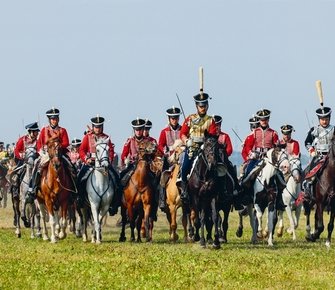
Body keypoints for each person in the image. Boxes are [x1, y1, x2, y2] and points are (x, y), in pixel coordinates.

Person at [240, 109, 286, 210]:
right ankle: (247, 195)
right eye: (262, 120)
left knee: (280, 177)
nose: (263, 121)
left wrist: (277, 149)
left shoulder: (273, 133)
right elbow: (248, 146)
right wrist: (251, 153)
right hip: (256, 158)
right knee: (248, 173)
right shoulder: (255, 132)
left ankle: (279, 200)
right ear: (259, 120)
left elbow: (276, 146)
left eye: (265, 119)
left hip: (269, 158)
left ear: (268, 119)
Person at [77, 115, 121, 215]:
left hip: (104, 164)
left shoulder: (106, 137)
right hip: (90, 163)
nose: (98, 128)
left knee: (116, 178)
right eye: (96, 126)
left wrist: (109, 159)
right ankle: (80, 199)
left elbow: (110, 151)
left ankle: (114, 203)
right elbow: (82, 150)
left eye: (100, 126)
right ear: (93, 127)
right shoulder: (87, 137)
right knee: (79, 178)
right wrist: (86, 159)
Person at [178, 92, 217, 201]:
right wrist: (186, 141)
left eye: (204, 106)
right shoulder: (190, 119)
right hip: (192, 147)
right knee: (185, 166)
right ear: (197, 106)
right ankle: (185, 189)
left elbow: (212, 135)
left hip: (205, 149)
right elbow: (182, 133)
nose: (202, 108)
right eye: (200, 106)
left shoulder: (210, 120)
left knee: (215, 167)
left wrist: (206, 144)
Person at [28, 108, 74, 198]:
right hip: (46, 154)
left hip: (59, 154)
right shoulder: (44, 130)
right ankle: (32, 188)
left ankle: (73, 190)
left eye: (56, 118)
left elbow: (66, 143)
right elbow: (39, 144)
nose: (54, 120)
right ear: (49, 120)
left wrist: (58, 146)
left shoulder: (62, 130)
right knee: (37, 166)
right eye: (53, 119)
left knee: (71, 167)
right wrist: (41, 151)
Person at [303, 106, 334, 203]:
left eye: (326, 119)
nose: (324, 121)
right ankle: (307, 190)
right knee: (310, 172)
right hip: (318, 156)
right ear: (319, 119)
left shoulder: (334, 129)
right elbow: (307, 142)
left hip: (331, 157)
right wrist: (312, 150)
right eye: (322, 119)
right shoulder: (314, 130)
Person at [11, 122, 39, 225]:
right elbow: (16, 151)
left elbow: (40, 149)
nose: (36, 133)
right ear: (31, 132)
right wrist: (21, 155)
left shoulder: (38, 140)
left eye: (37, 132)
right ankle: (15, 190)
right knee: (17, 173)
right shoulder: (22, 139)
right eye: (35, 132)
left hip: (35, 162)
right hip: (23, 161)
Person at [213, 115, 243, 210]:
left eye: (218, 125)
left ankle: (236, 191)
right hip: (211, 162)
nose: (216, 127)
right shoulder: (208, 136)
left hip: (223, 161)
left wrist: (223, 155)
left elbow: (230, 149)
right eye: (215, 125)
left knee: (231, 170)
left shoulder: (225, 136)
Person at [157, 106, 182, 211]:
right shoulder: (164, 132)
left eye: (176, 118)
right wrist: (167, 153)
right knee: (162, 176)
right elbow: (160, 146)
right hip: (169, 160)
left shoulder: (183, 130)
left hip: (181, 158)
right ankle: (162, 199)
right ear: (169, 119)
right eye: (172, 118)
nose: (174, 120)